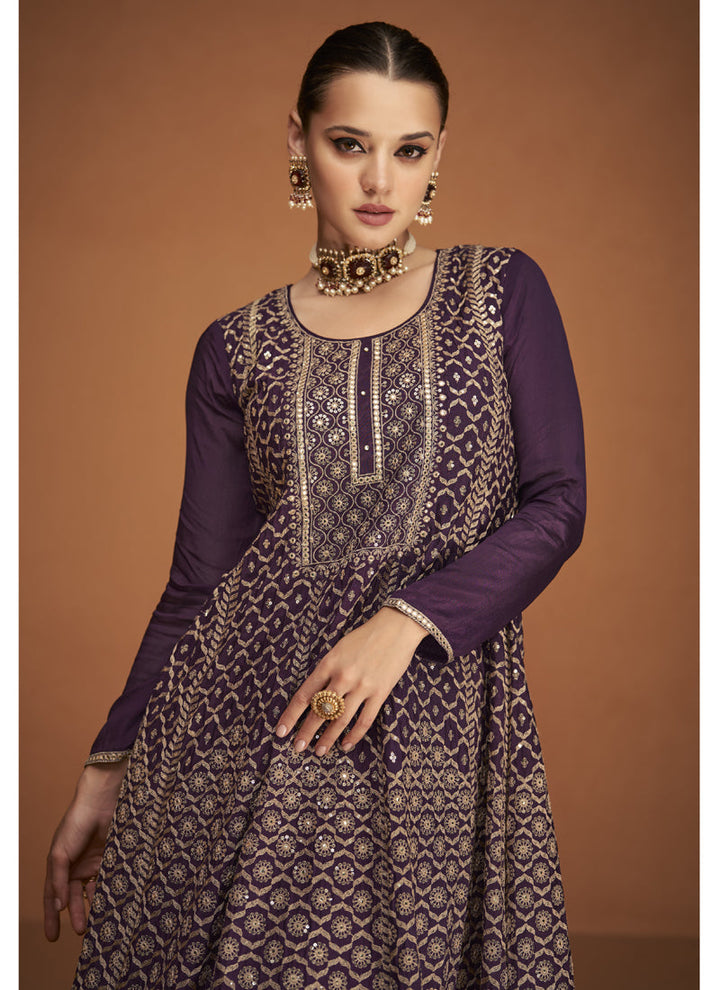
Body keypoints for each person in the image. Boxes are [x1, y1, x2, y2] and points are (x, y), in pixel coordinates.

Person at [44, 21, 585, 990]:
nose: (380, 181)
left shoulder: (500, 293)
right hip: (264, 729)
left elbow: (558, 506)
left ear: (438, 155)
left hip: (440, 732)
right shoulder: (235, 348)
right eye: (349, 144)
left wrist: (407, 622)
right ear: (298, 141)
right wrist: (110, 760)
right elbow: (200, 584)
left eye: (409, 150)